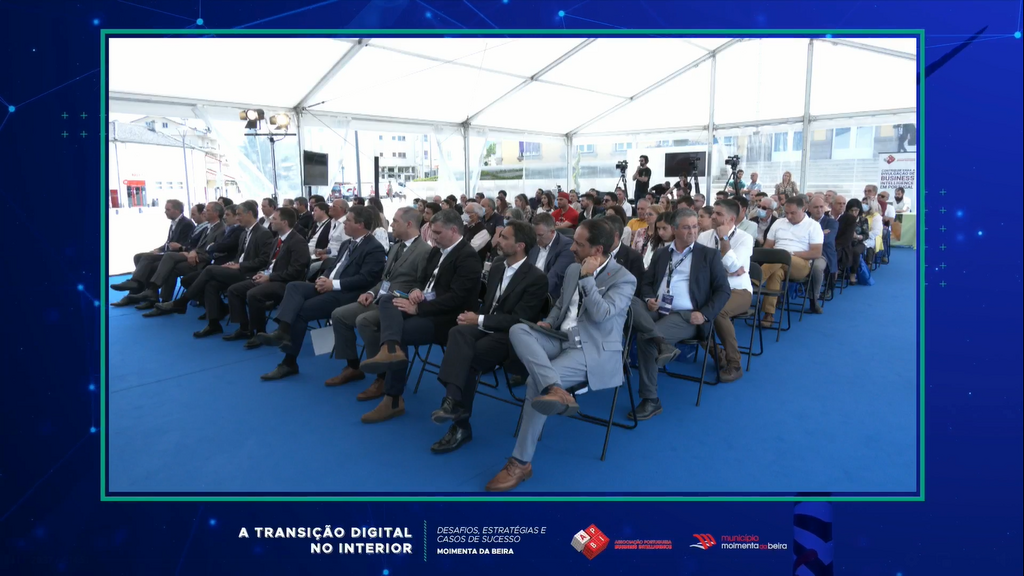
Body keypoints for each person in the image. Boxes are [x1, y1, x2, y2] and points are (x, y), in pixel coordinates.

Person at [484, 219, 635, 491]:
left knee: (534, 382)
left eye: (579, 244)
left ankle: (521, 462)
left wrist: (588, 279)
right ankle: (555, 388)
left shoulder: (624, 278)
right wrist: (549, 322)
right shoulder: (573, 267)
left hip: (592, 348)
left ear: (597, 250)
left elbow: (602, 315)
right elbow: (563, 305)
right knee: (519, 330)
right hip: (561, 338)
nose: (572, 248)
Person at [430, 221, 549, 453]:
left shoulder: (536, 278)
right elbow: (488, 306)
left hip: (512, 336)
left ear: (520, 246)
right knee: (457, 332)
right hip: (487, 327)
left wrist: (479, 319)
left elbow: (519, 320)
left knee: (468, 356)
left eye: (504, 237)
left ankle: (459, 423)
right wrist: (476, 318)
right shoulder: (496, 267)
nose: (498, 241)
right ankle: (453, 402)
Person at [356, 209, 483, 423]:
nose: (433, 237)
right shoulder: (436, 252)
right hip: (425, 305)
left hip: (447, 318)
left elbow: (457, 299)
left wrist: (419, 309)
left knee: (400, 332)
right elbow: (423, 282)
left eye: (438, 233)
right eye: (432, 232)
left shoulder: (468, 257)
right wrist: (416, 291)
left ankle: (393, 398)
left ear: (453, 231)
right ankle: (390, 349)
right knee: (387, 299)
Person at [254, 206, 387, 380]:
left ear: (360, 225)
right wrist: (323, 278)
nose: (344, 224)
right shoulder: (347, 243)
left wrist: (333, 284)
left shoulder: (374, 248)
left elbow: (366, 279)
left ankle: (289, 362)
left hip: (348, 293)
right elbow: (334, 266)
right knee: (294, 286)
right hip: (330, 286)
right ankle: (283, 330)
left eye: (348, 221)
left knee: (301, 311)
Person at [632, 209, 731, 419]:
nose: (692, 232)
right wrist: (648, 299)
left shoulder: (709, 255)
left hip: (687, 315)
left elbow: (723, 290)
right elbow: (646, 283)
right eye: (686, 227)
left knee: (645, 337)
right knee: (629, 303)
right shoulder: (661, 254)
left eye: (695, 227)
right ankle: (661, 344)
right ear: (674, 229)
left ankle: (651, 400)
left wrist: (704, 314)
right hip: (658, 309)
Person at [324, 207, 431, 396]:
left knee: (364, 321)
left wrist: (406, 297)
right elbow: (385, 279)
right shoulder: (396, 247)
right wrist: (371, 293)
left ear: (408, 224)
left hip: (398, 304)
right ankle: (353, 367)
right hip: (380, 298)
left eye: (395, 221)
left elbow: (421, 285)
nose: (391, 225)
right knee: (339, 315)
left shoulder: (425, 251)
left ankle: (382, 378)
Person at [222, 207, 311, 347]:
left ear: (285, 222)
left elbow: (295, 272)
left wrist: (270, 277)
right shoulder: (277, 240)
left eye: (274, 219)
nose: (271, 221)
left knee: (254, 294)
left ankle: (259, 332)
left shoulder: (298, 242)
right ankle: (245, 329)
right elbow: (270, 264)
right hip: (270, 278)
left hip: (286, 283)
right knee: (234, 290)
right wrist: (263, 273)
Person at [695, 200, 754, 381]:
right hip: (711, 289)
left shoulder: (744, 238)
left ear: (731, 219)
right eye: (713, 212)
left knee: (718, 311)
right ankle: (718, 355)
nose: (713, 216)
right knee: (690, 311)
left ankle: (734, 364)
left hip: (739, 290)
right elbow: (698, 267)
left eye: (718, 214)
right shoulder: (704, 237)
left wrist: (724, 239)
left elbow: (732, 268)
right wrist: (727, 269)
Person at [759, 197, 824, 327]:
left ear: (803, 209)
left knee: (781, 257)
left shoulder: (813, 226)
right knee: (776, 273)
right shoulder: (778, 223)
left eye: (793, 213)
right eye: (786, 213)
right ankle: (768, 314)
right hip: (777, 262)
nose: (788, 216)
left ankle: (754, 280)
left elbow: (816, 253)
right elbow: (767, 247)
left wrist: (791, 254)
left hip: (801, 263)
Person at [527, 212, 575, 299]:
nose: (536, 239)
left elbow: (554, 277)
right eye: (535, 235)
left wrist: (532, 295)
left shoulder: (566, 246)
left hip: (547, 295)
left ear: (552, 232)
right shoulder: (534, 242)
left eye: (540, 235)